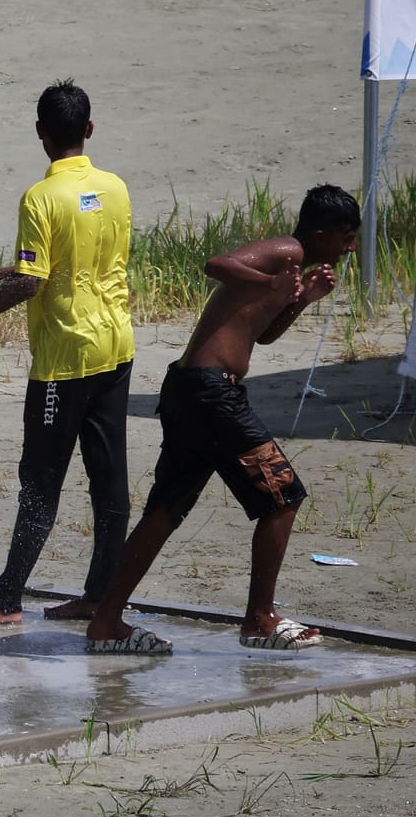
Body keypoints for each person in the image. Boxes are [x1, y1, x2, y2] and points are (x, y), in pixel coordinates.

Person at [84, 185, 360, 654]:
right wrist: (268, 284)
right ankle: (260, 618)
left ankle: (106, 622)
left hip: (194, 391)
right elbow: (214, 265)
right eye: (346, 236)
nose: (350, 247)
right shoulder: (285, 249)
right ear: (320, 233)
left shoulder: (291, 267)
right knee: (283, 495)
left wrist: (301, 298)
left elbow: (264, 332)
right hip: (211, 394)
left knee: (166, 509)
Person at [0, 80, 135, 628]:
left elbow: (32, 286)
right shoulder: (114, 188)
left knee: (40, 480)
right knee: (109, 482)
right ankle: (100, 596)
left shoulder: (41, 198)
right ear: (89, 129)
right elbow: (68, 264)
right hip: (116, 348)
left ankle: (7, 599)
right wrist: (0, 272)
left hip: (64, 361)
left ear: (40, 133)